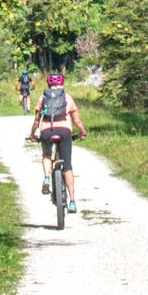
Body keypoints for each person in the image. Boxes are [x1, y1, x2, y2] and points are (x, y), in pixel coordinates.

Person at [28, 71, 87, 214]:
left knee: (47, 155)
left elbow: (37, 120)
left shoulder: (43, 98)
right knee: (67, 166)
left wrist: (31, 134)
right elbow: (76, 120)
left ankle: (47, 178)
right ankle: (72, 202)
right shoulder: (67, 98)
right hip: (64, 132)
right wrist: (82, 132)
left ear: (48, 84)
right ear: (62, 84)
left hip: (46, 131)